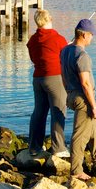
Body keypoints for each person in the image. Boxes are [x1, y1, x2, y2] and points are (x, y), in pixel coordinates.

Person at [60, 18, 96, 180]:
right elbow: (85, 83)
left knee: (92, 130)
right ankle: (76, 171)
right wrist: (94, 106)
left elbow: (63, 75)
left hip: (71, 94)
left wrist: (68, 92)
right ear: (84, 35)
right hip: (83, 99)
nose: (92, 37)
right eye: (91, 34)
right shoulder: (82, 55)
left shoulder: (65, 51)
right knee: (79, 136)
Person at [26, 9, 69, 157]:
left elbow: (33, 57)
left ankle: (34, 146)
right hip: (55, 77)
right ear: (50, 18)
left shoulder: (33, 40)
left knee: (39, 112)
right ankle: (58, 148)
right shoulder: (57, 38)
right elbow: (65, 57)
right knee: (58, 111)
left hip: (38, 78)